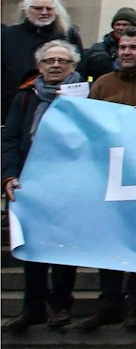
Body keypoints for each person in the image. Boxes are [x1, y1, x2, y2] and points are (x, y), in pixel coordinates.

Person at [3, 41, 86, 332]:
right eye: (50, 60)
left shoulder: (86, 97)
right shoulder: (25, 98)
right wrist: (9, 175)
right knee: (32, 247)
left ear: (74, 66)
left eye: (63, 61)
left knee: (64, 247)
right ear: (39, 66)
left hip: (71, 182)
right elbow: (10, 139)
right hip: (31, 181)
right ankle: (33, 306)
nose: (56, 65)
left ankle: (61, 304)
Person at [3, 0, 84, 93]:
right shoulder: (9, 34)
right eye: (38, 8)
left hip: (58, 95)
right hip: (14, 96)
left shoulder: (68, 34)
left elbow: (80, 67)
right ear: (26, 11)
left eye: (49, 9)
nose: (44, 12)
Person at [82, 7, 136, 79]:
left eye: (125, 25)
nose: (120, 28)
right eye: (117, 24)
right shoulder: (99, 48)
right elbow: (100, 67)